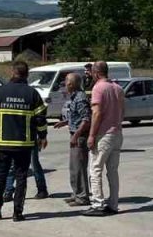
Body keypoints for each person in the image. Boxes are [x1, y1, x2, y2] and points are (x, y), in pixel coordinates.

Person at [0, 60, 48, 222]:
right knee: (21, 178)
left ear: (13, 73)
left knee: (0, 177)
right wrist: (43, 136)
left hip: (3, 145)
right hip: (24, 146)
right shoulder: (32, 94)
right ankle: (18, 213)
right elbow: (41, 119)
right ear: (26, 74)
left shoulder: (0, 92)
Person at [84, 61, 124, 216]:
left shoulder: (98, 88)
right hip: (117, 133)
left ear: (96, 73)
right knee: (112, 171)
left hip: (104, 134)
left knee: (95, 169)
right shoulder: (118, 88)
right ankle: (113, 204)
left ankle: (98, 203)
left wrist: (92, 135)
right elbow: (122, 110)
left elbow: (97, 113)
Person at [53, 72, 91, 206]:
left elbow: (86, 120)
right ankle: (76, 193)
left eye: (66, 83)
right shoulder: (75, 97)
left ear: (71, 84)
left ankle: (82, 197)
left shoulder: (80, 98)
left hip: (79, 137)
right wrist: (65, 122)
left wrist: (76, 135)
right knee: (74, 167)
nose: (65, 86)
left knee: (79, 167)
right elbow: (76, 116)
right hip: (75, 134)